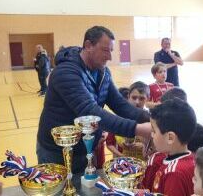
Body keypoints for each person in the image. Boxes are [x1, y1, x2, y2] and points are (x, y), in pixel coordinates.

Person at [36, 26, 151, 174]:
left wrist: (150, 119)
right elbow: (90, 112)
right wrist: (138, 129)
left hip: (87, 149)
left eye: (111, 51)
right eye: (105, 50)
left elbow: (120, 104)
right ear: (88, 45)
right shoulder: (65, 72)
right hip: (56, 152)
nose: (110, 57)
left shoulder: (103, 72)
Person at [142, 98, 197, 196]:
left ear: (170, 137)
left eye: (154, 131)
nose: (152, 135)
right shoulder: (191, 159)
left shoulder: (173, 173)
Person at [106, 81, 149, 159]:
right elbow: (109, 143)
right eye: (134, 97)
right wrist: (121, 156)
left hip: (143, 164)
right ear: (128, 96)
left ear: (147, 99)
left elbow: (158, 149)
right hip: (122, 164)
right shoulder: (118, 117)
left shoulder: (151, 119)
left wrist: (144, 146)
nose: (137, 102)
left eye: (142, 98)